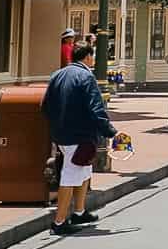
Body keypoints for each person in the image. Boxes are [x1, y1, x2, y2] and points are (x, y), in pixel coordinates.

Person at [42, 42, 115, 234]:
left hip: (61, 133)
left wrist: (57, 123)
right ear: (88, 57)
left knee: (83, 169)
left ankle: (80, 211)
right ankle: (59, 222)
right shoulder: (86, 76)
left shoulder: (57, 74)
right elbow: (96, 108)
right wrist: (110, 132)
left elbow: (45, 105)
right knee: (71, 174)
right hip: (79, 134)